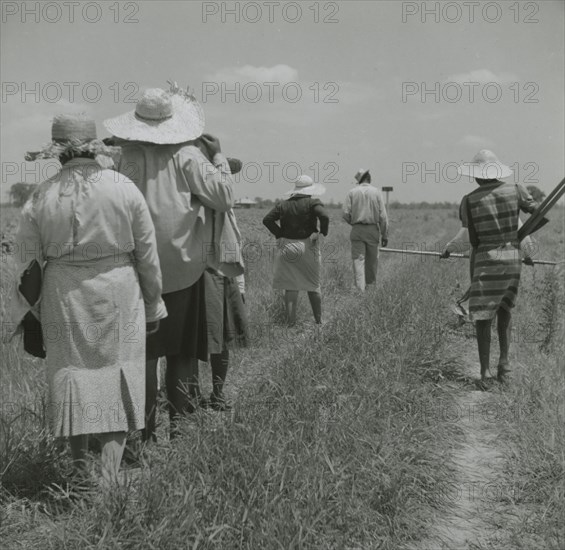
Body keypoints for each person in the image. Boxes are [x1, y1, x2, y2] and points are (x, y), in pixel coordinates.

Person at [10, 113, 167, 481]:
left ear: (58, 151)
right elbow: (147, 253)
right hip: (119, 290)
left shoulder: (41, 195)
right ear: (94, 147)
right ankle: (111, 476)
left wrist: (27, 314)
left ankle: (80, 470)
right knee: (119, 374)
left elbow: (27, 265)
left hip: (63, 293)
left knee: (73, 375)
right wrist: (154, 303)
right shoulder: (124, 188)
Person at [104, 86, 235, 439]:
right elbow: (223, 198)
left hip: (132, 270)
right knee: (181, 353)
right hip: (182, 267)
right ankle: (182, 428)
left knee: (142, 356)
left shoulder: (122, 156)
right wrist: (219, 158)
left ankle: (143, 434)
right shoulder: (188, 155)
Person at [440, 150, 537, 385]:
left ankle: (484, 373)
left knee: (483, 317)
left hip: (486, 259)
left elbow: (473, 241)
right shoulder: (516, 189)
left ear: (477, 176)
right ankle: (505, 366)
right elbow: (536, 212)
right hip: (513, 258)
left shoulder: (469, 200)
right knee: (505, 310)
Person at [263, 175, 329, 325]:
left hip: (287, 247)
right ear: (310, 190)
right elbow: (324, 216)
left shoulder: (283, 204)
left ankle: (291, 323)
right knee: (313, 285)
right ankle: (319, 322)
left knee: (291, 286)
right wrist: (321, 232)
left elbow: (267, 220)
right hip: (307, 245)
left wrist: (279, 234)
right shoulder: (313, 203)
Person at [342, 169, 389, 291]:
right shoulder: (376, 192)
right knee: (372, 262)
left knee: (358, 262)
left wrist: (353, 223)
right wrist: (384, 235)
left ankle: (359, 291)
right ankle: (371, 290)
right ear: (368, 177)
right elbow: (383, 216)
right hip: (372, 229)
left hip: (357, 229)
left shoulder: (352, 192)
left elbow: (345, 213)